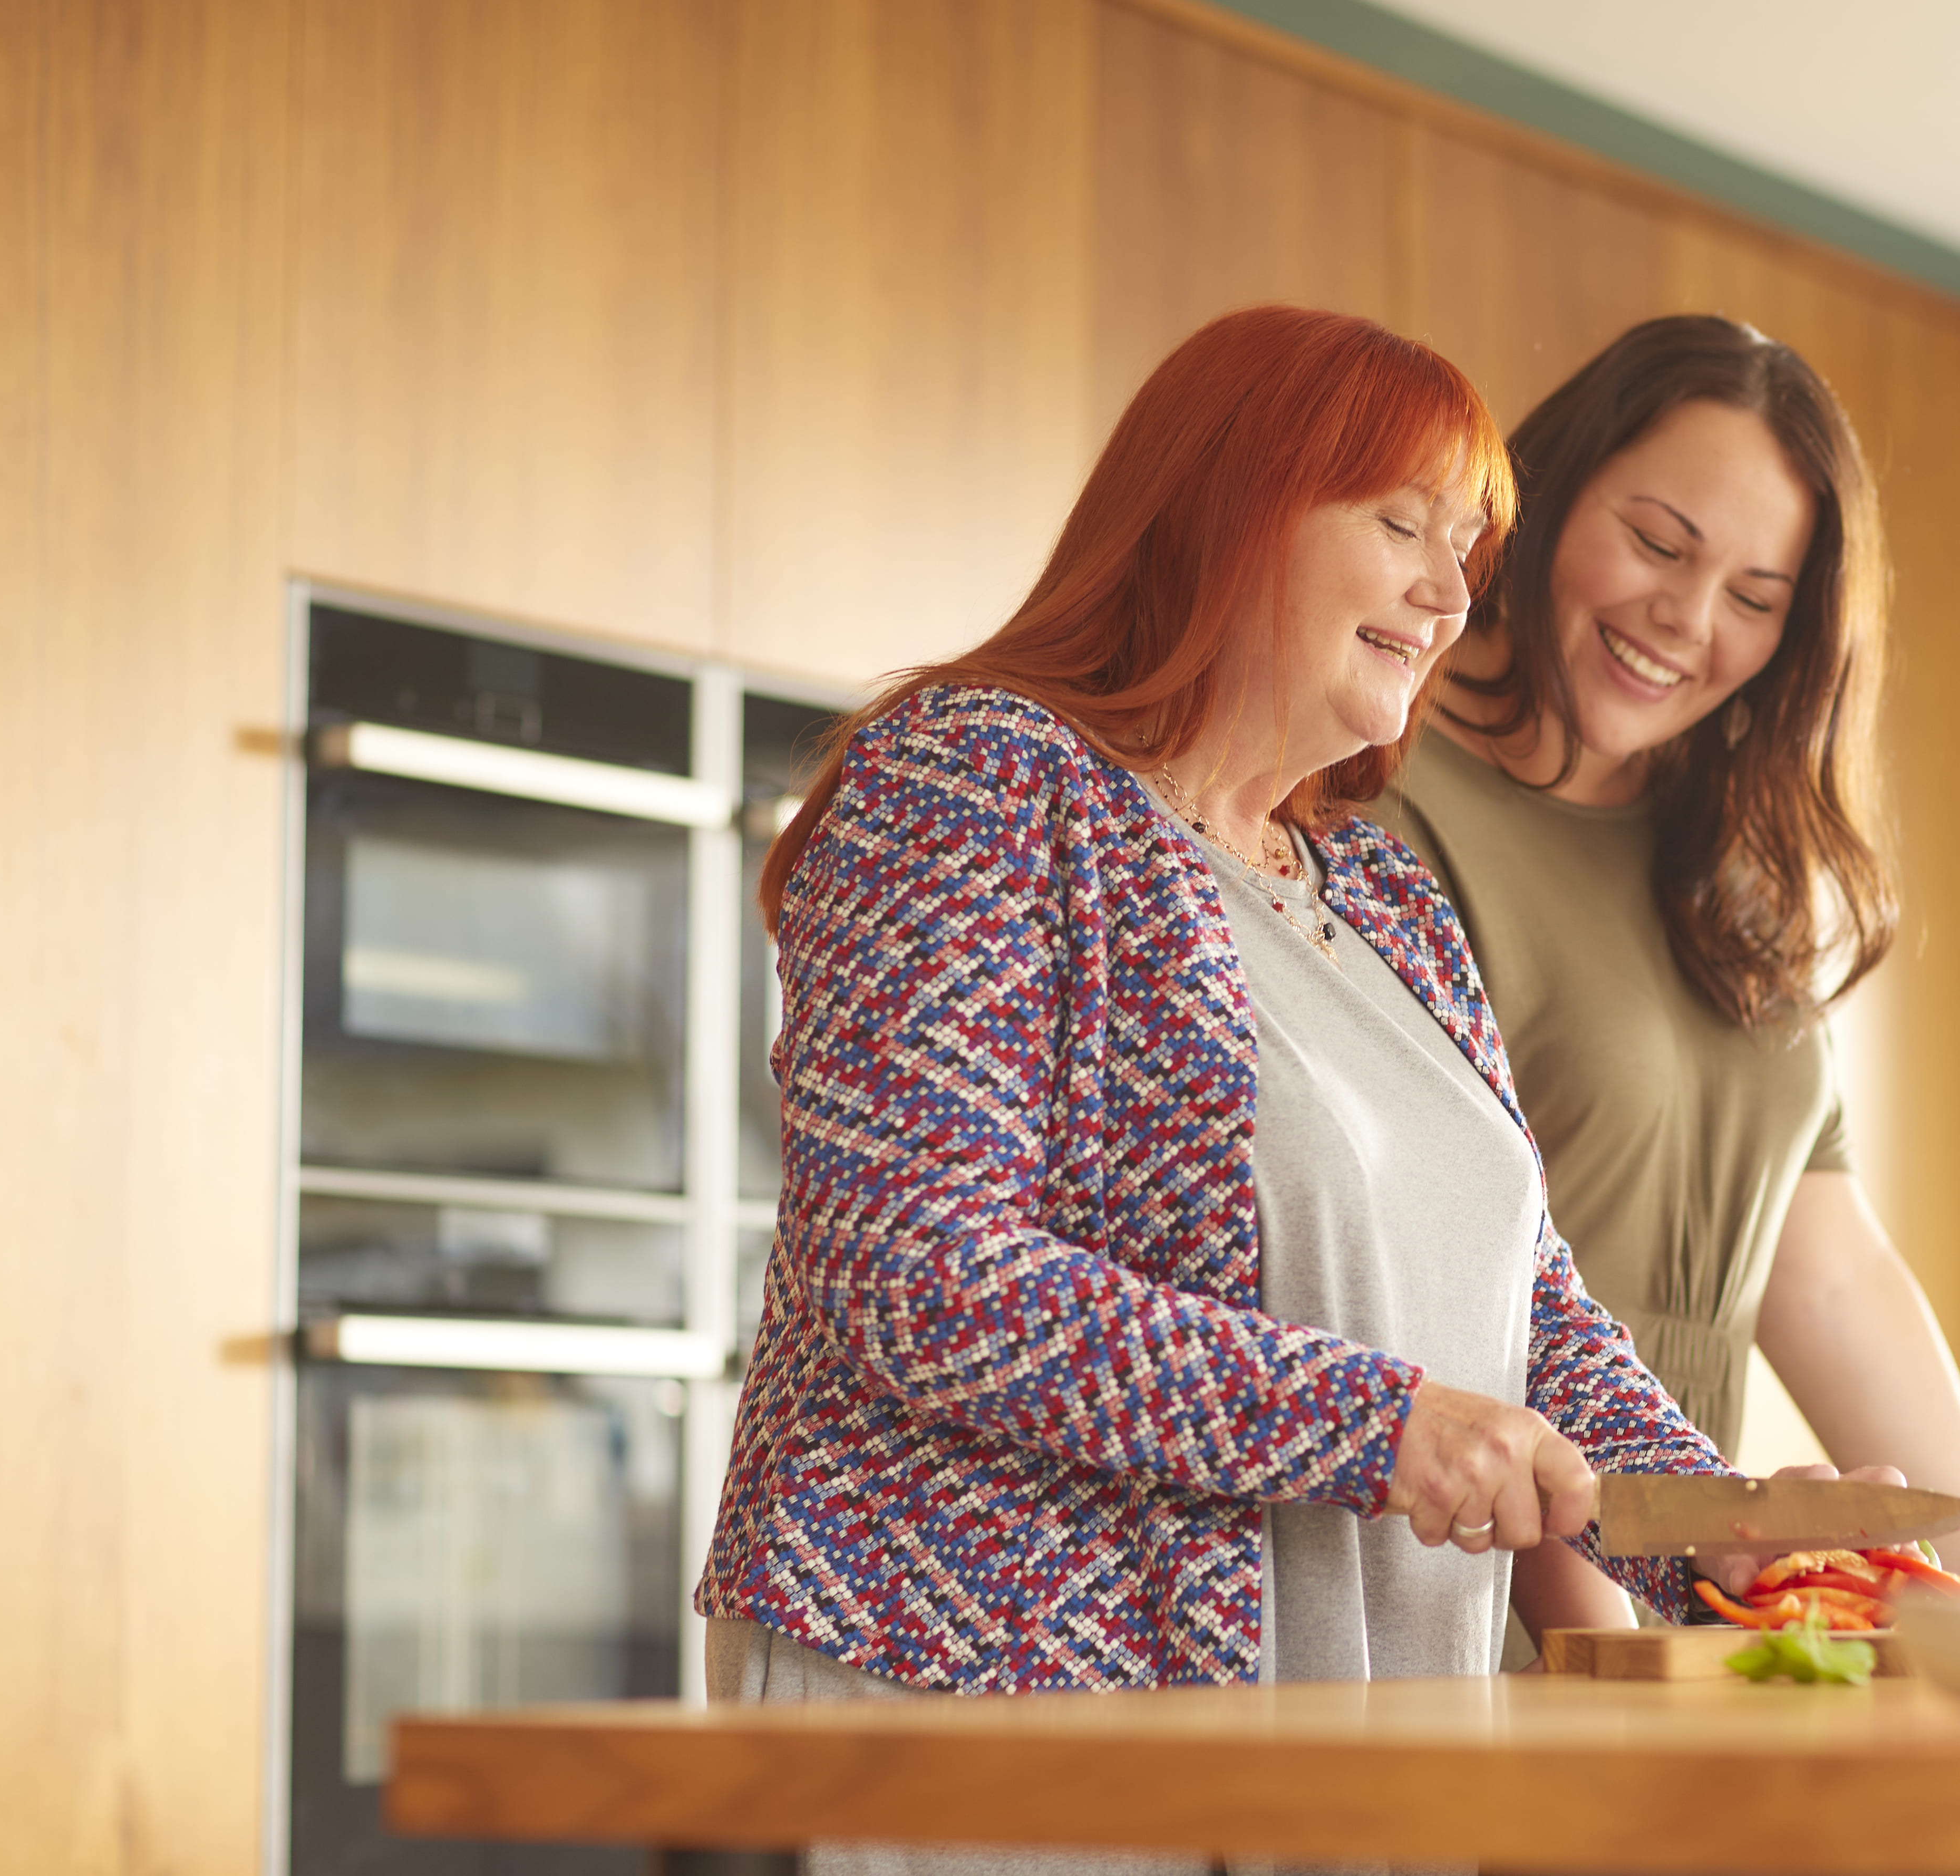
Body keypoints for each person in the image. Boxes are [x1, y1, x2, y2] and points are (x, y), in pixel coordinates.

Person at [696, 306, 1837, 1744]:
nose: (1453, 595)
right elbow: (921, 1270)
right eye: (1403, 526)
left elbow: (1525, 1309)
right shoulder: (978, 781)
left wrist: (1708, 1519)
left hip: (1360, 1719)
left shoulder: (1380, 893)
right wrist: (1378, 1422)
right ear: (1235, 509)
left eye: (1467, 548)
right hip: (988, 1709)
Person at [1367, 315, 1960, 1636]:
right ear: (1550, 490)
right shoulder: (1388, 811)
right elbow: (1449, 1302)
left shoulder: (1732, 879)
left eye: (1753, 598)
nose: (1683, 620)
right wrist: (1620, 1655)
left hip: (1681, 1593)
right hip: (1497, 1601)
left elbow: (1830, 1279)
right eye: (1656, 544)